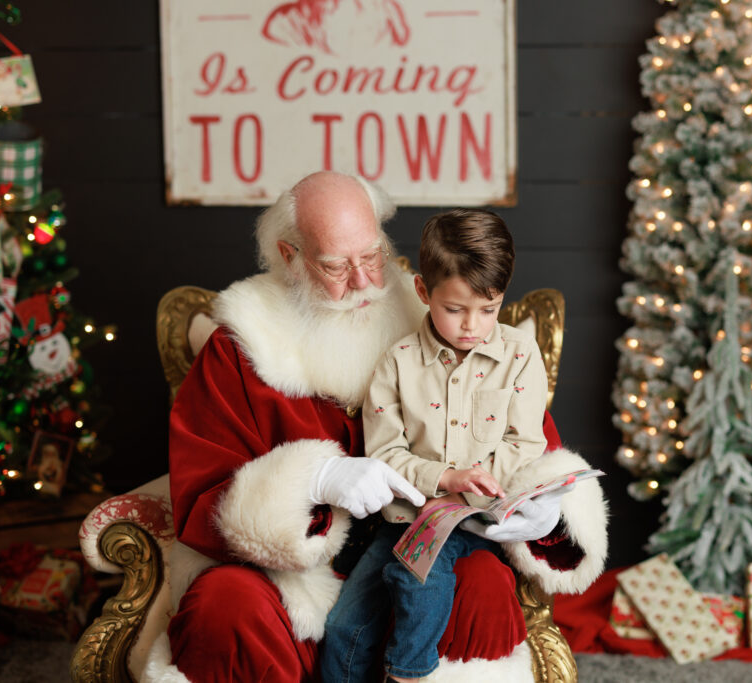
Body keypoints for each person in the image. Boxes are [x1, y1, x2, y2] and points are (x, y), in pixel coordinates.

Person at [157, 171, 608, 683]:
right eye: (334, 265)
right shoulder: (239, 347)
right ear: (290, 256)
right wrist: (312, 480)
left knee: (480, 580)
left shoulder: (442, 316)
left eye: (371, 256)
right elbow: (200, 491)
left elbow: (529, 442)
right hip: (293, 577)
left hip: (427, 538)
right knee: (225, 604)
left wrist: (546, 508)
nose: (363, 281)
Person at [321, 209, 574, 683]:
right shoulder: (396, 363)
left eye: (489, 308)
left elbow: (525, 441)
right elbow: (382, 453)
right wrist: (442, 478)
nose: (472, 325)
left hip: (476, 521)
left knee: (420, 582)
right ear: (423, 292)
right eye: (455, 309)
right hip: (406, 520)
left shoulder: (520, 355)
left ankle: (408, 675)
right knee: (343, 628)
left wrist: (464, 492)